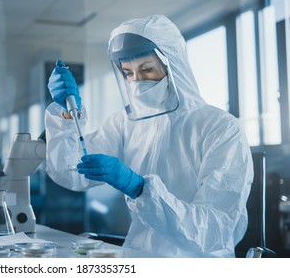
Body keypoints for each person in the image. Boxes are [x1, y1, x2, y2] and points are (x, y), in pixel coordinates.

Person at [44, 15, 253, 257]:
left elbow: (214, 231)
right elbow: (70, 171)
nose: (136, 81)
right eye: (128, 73)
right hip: (139, 254)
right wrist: (69, 117)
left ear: (172, 65)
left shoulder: (220, 127)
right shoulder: (126, 122)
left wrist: (140, 188)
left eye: (147, 69)